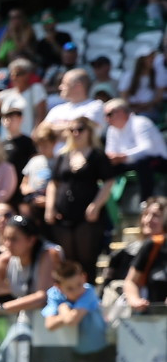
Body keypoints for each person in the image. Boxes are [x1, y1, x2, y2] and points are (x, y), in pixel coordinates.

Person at [46, 118, 116, 276]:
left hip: (86, 216)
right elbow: (53, 183)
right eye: (72, 130)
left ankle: (87, 289)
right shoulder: (63, 155)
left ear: (89, 132)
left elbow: (108, 181)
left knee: (87, 258)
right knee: (67, 260)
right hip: (63, 215)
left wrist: (96, 205)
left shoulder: (97, 155)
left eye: (80, 129)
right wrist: (50, 207)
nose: (76, 133)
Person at [104, 98, 167, 199]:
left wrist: (123, 157)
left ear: (120, 112)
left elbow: (147, 149)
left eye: (109, 114)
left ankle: (146, 202)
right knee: (103, 167)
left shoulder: (140, 122)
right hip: (130, 163)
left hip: (159, 162)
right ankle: (107, 202)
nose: (106, 119)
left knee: (143, 162)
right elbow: (110, 152)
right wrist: (112, 158)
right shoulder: (111, 130)